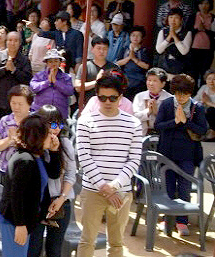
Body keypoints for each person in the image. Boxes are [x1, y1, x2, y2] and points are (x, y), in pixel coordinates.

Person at [75, 72, 142, 257]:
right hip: (92, 190)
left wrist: (115, 186)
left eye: (113, 97)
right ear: (96, 97)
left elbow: (134, 159)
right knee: (87, 240)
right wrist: (104, 187)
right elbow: (84, 157)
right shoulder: (85, 121)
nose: (107, 102)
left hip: (121, 192)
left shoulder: (134, 124)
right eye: (102, 97)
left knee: (117, 243)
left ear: (120, 97)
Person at [0, 113, 61, 257]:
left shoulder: (36, 156)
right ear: (38, 137)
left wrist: (54, 152)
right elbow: (16, 195)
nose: (52, 136)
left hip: (24, 219)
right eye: (48, 133)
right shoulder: (25, 160)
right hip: (14, 220)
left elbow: (54, 173)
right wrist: (20, 225)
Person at [154, 74, 208, 235]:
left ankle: (182, 221)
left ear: (190, 93)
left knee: (185, 187)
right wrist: (175, 122)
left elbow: (202, 130)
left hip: (188, 155)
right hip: (167, 153)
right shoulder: (166, 104)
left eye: (185, 94)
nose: (181, 97)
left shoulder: (197, 107)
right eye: (178, 93)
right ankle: (166, 219)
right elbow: (158, 125)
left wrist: (186, 122)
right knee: (168, 187)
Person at [28, 106, 77, 257]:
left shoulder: (65, 144)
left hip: (61, 202)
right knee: (33, 248)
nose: (55, 129)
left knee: (54, 249)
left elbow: (71, 174)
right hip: (37, 204)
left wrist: (62, 198)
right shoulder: (33, 145)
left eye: (58, 124)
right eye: (51, 124)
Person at [0, 32, 32, 132]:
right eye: (10, 40)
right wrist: (4, 69)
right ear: (6, 42)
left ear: (20, 43)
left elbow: (27, 79)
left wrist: (14, 70)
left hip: (17, 103)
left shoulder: (24, 60)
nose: (12, 43)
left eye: (16, 41)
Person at [29, 49, 75, 118]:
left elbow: (70, 91)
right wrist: (47, 82)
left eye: (56, 61)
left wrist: (56, 82)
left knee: (58, 125)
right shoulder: (39, 75)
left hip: (60, 114)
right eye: (50, 61)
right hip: (40, 113)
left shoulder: (66, 77)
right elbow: (33, 88)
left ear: (60, 62)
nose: (53, 63)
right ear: (47, 63)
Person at [74, 37, 118, 106]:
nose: (101, 51)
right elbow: (78, 87)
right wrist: (97, 82)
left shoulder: (114, 68)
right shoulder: (85, 66)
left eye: (104, 49)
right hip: (88, 106)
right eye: (98, 48)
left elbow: (118, 87)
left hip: (108, 105)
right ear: (92, 49)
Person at [133, 67, 172, 135]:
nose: (151, 83)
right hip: (142, 134)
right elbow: (134, 116)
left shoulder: (170, 98)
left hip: (163, 135)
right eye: (149, 80)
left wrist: (158, 113)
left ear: (163, 84)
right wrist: (148, 111)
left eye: (155, 81)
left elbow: (171, 120)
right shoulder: (139, 96)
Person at [156, 8, 192, 78]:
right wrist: (169, 36)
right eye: (171, 17)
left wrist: (175, 36)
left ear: (181, 20)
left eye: (176, 18)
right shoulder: (162, 32)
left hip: (180, 67)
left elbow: (184, 51)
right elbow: (159, 50)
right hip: (164, 66)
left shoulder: (187, 33)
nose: (173, 20)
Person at [190, 0, 215, 84]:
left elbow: (214, 33)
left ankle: (203, 90)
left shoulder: (213, 17)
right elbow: (187, 31)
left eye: (206, 3)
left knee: (205, 73)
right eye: (201, 3)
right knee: (193, 73)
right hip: (193, 49)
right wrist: (197, 29)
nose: (204, 6)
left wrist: (205, 30)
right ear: (198, 5)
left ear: (210, 5)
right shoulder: (193, 16)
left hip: (207, 50)